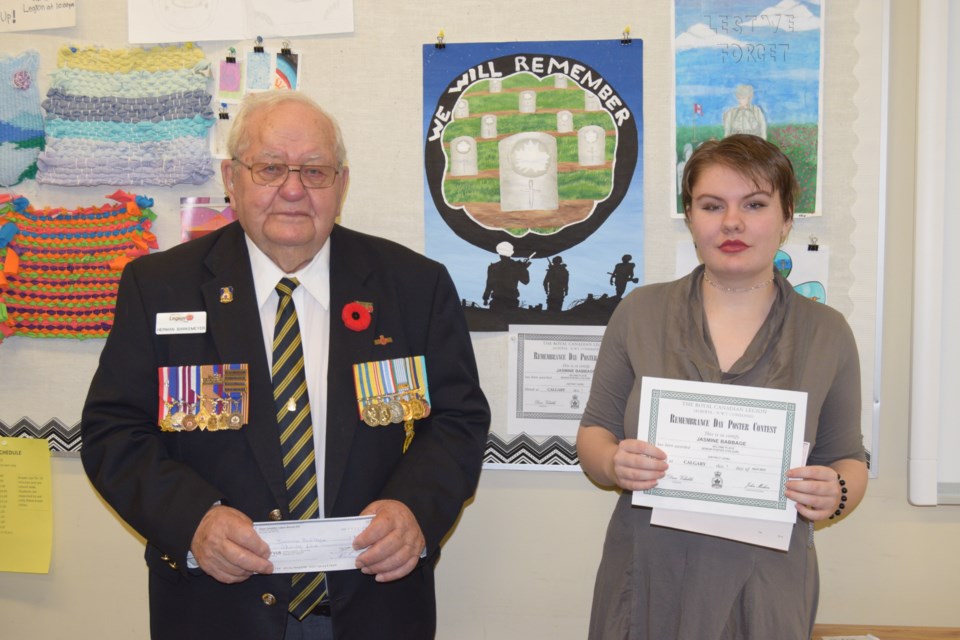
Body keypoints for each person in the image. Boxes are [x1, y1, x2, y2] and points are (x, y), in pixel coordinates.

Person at [81, 91, 491, 640]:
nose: (293, 190)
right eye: (270, 168)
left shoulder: (414, 287)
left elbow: (457, 423)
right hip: (216, 611)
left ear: (342, 184)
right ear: (232, 178)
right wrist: (192, 519)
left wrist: (414, 509)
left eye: (315, 171)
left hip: (374, 609)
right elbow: (114, 432)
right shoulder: (157, 288)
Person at [576, 134, 866, 639]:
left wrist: (836, 492)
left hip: (767, 581)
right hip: (648, 576)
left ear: (786, 218)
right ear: (691, 218)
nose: (732, 222)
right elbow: (595, 433)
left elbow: (848, 458)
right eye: (713, 205)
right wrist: (613, 462)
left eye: (754, 204)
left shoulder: (827, 331)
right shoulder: (641, 312)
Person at [482, 240, 530, 311]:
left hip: (501, 301)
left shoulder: (493, 267)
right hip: (508, 301)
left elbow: (489, 284)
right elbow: (526, 281)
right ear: (511, 253)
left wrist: (486, 298)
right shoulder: (516, 266)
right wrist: (523, 269)